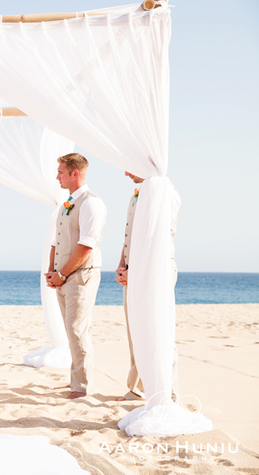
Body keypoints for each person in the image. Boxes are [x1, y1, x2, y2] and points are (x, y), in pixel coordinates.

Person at [43, 153, 106, 399]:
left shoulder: (91, 203)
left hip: (81, 276)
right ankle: (76, 381)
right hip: (63, 276)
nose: (57, 176)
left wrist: (61, 274)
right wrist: (52, 272)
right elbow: (56, 242)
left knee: (78, 330)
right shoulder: (67, 203)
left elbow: (86, 246)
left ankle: (83, 387)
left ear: (74, 174)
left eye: (61, 172)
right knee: (71, 331)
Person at [115, 171, 179, 401]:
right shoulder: (136, 195)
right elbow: (130, 237)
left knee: (158, 328)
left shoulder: (164, 191)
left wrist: (138, 270)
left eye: (129, 165)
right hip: (134, 272)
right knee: (136, 330)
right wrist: (123, 266)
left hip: (155, 270)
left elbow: (158, 238)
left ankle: (168, 392)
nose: (125, 172)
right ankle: (138, 388)